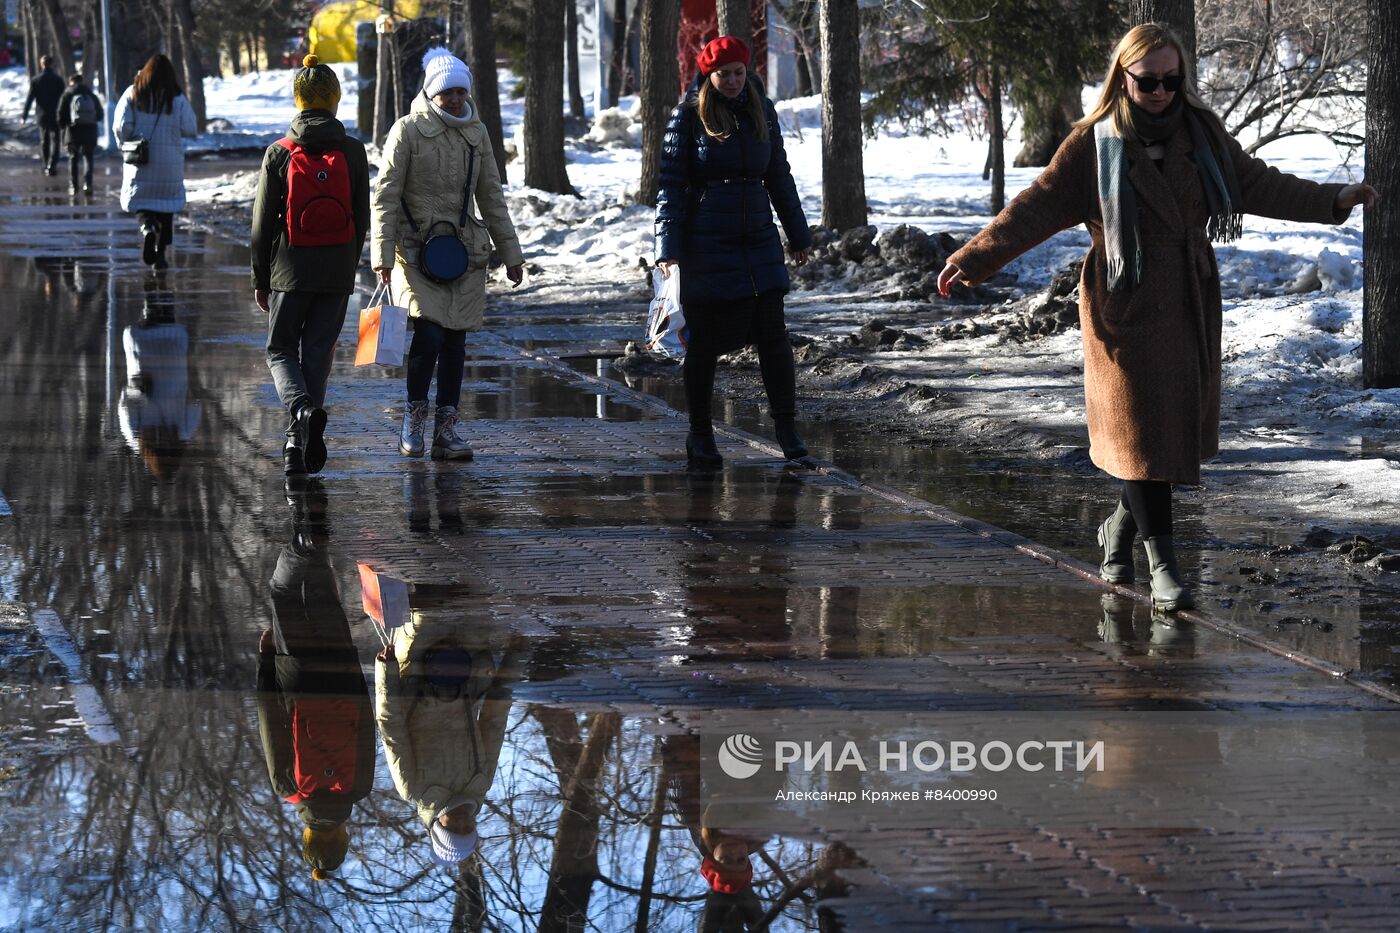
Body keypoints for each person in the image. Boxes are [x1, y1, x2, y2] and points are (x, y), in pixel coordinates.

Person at [935, 23, 1377, 611]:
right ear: (1124, 78)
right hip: (1123, 302)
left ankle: (1120, 525)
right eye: (1149, 82)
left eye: (1172, 80)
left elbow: (1256, 185)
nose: (1162, 91)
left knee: (1164, 437)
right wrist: (974, 258)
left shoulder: (1202, 136)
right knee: (1140, 433)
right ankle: (1163, 564)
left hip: (1188, 300)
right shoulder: (1093, 145)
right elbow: (1033, 208)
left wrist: (1331, 199)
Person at [654, 36, 814, 468]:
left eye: (738, 72)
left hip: (758, 238)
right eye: (723, 74)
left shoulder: (762, 110)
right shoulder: (687, 117)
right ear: (709, 75)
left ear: (748, 72)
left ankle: (786, 428)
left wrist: (798, 236)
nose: (731, 81)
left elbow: (779, 174)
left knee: (773, 336)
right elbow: (671, 188)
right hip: (706, 243)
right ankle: (700, 434)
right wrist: (667, 249)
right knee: (704, 343)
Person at [372, 47, 524, 461]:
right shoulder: (406, 131)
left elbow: (491, 195)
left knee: (456, 339)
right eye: (447, 93)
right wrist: (382, 255)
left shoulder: (477, 133)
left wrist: (511, 253)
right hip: (414, 252)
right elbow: (385, 196)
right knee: (430, 332)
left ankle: (447, 428)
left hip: (462, 253)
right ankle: (413, 418)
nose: (456, 99)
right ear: (431, 92)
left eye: (461, 92)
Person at [252, 55, 370, 476]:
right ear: (335, 102)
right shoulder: (354, 152)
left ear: (298, 101)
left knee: (280, 348)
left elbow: (262, 224)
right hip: (336, 270)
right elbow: (362, 216)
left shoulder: (279, 153)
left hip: (289, 268)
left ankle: (300, 413)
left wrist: (261, 279)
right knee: (318, 353)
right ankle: (295, 442)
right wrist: (346, 266)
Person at [257, 484, 376, 882]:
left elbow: (366, 723)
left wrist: (354, 670)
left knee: (323, 590)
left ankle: (310, 515)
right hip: (296, 674)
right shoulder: (289, 787)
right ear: (307, 835)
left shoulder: (357, 788)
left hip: (340, 671)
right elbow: (269, 721)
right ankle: (304, 529)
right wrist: (265, 663)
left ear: (342, 836)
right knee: (284, 594)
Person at [374, 616, 527, 866]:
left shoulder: (415, 789)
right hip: (466, 668)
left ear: (438, 827)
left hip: (417, 671)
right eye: (468, 828)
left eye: (455, 829)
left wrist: (387, 675)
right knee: (470, 602)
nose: (463, 822)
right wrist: (515, 660)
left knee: (427, 608)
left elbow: (392, 728)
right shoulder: (480, 783)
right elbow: (493, 722)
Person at [113, 55, 197, 270]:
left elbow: (122, 127)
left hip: (141, 160)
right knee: (166, 206)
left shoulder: (133, 93)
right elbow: (190, 127)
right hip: (170, 163)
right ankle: (161, 255)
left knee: (143, 203)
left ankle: (147, 229)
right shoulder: (176, 98)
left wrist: (126, 143)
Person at [57, 72, 103, 196]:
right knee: (88, 157)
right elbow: (100, 115)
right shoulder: (91, 95)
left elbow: (60, 115)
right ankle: (88, 184)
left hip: (73, 131)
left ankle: (74, 185)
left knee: (73, 158)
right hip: (90, 130)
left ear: (71, 82)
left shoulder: (67, 94)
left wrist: (64, 128)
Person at [22, 55, 65, 175]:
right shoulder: (58, 80)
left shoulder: (36, 80)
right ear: (52, 64)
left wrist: (24, 115)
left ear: (42, 65)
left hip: (42, 115)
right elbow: (64, 99)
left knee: (44, 140)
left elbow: (30, 98)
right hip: (55, 114)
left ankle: (46, 163)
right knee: (56, 140)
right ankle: (53, 163)